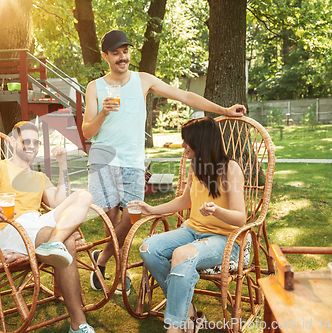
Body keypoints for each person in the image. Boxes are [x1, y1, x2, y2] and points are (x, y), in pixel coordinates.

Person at [82, 29, 247, 295]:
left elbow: (186, 96)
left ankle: (101, 260)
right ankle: (119, 273)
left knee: (130, 218)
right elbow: (87, 132)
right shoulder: (95, 87)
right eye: (116, 53)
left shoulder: (143, 80)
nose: (122, 57)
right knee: (110, 219)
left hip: (133, 161)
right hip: (103, 159)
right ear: (106, 56)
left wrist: (224, 110)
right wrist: (103, 112)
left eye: (125, 51)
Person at [0, 121, 96, 333]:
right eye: (25, 141)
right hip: (7, 228)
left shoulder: (39, 176)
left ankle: (53, 243)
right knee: (67, 241)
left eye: (36, 142)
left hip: (35, 222)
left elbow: (58, 203)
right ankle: (79, 323)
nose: (31, 146)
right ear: (12, 142)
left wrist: (63, 164)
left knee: (83, 196)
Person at [134, 117, 246, 333]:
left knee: (182, 255)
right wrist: (151, 209)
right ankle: (188, 312)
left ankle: (175, 328)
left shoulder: (231, 169)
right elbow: (185, 201)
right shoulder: (197, 166)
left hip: (225, 240)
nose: (183, 146)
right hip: (192, 231)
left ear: (201, 142)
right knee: (149, 249)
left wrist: (217, 211)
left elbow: (240, 218)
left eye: (187, 141)